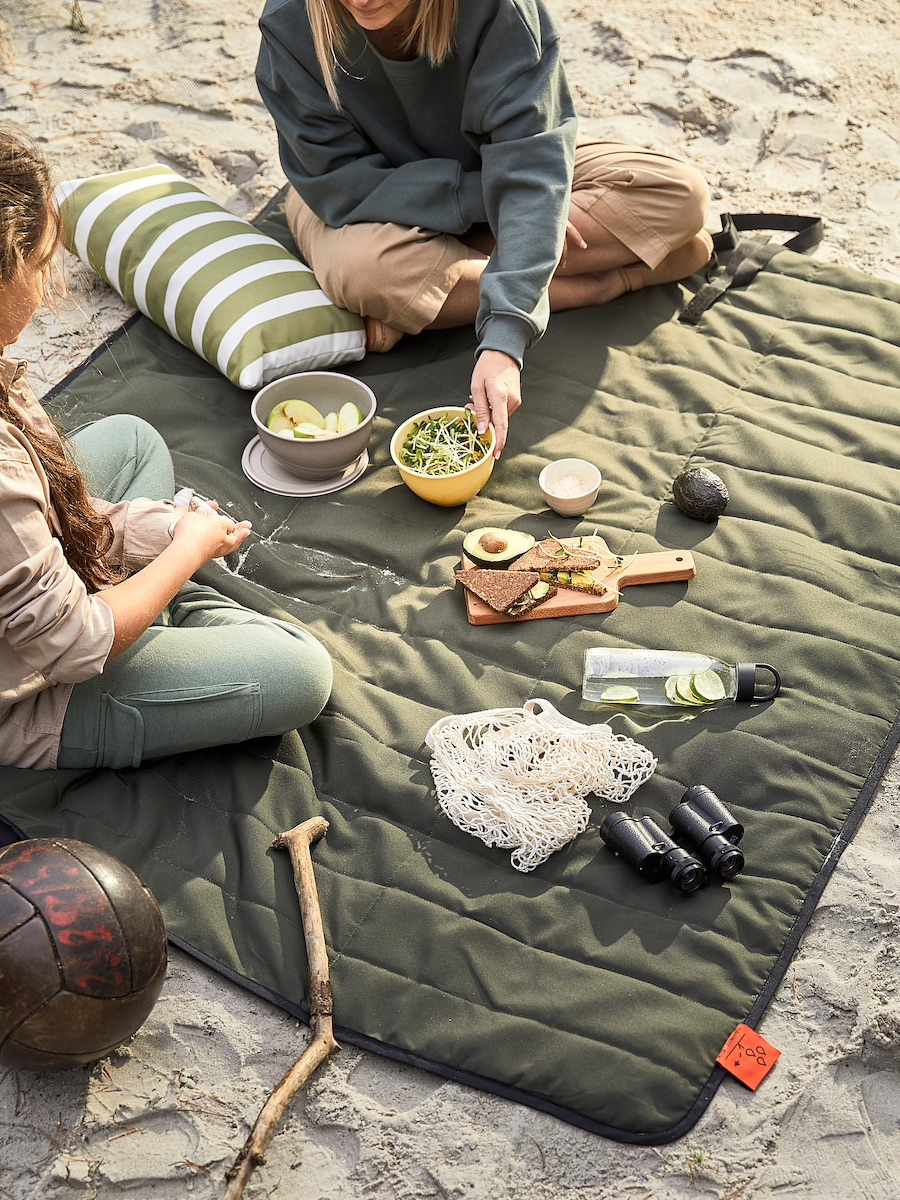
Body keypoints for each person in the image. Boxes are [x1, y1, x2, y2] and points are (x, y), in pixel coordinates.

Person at [0, 127, 333, 771]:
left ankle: (153, 600)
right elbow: (73, 644)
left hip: (31, 609)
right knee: (299, 673)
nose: (52, 281)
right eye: (43, 262)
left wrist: (161, 528)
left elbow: (54, 519)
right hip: (30, 697)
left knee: (130, 441)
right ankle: (174, 612)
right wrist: (184, 553)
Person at [257, 0, 713, 457]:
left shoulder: (499, 8)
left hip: (491, 165)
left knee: (680, 193)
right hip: (362, 201)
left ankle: (446, 293)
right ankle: (593, 283)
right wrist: (492, 206)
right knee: (363, 271)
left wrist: (504, 341)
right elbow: (336, 183)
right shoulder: (289, 19)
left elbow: (531, 162)